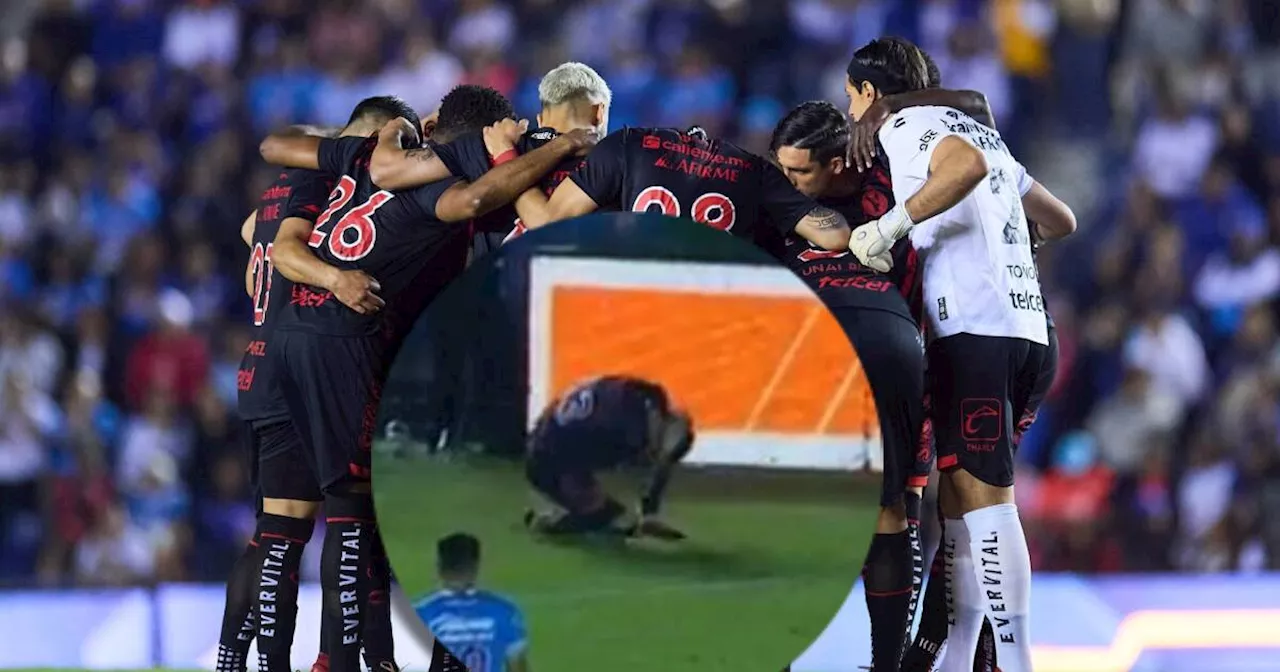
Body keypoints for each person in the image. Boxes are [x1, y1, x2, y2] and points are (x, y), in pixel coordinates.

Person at [254, 84, 594, 672]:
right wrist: (551, 147)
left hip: (290, 336)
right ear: (484, 135)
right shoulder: (453, 170)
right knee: (356, 512)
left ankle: (367, 658)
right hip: (349, 339)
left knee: (339, 515)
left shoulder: (367, 154)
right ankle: (339, 660)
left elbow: (274, 146)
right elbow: (475, 200)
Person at [842, 38, 1074, 672]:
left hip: (975, 330)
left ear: (866, 92)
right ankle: (959, 659)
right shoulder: (981, 128)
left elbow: (963, 166)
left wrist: (890, 226)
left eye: (850, 94)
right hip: (1029, 328)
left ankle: (1020, 660)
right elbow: (1059, 220)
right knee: (957, 504)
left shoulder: (904, 125)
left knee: (985, 501)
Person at [215, 97, 399, 672]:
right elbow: (293, 252)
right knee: (346, 522)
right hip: (304, 368)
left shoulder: (285, 187)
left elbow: (255, 233)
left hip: (262, 361)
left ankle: (234, 659)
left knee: (273, 533)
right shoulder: (333, 183)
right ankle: (340, 659)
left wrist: (265, 257)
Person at [368, 61, 612, 253]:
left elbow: (386, 170)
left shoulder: (496, 144)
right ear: (599, 112)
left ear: (540, 120)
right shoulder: (626, 157)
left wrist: (402, 127)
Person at [511, 120, 855, 254]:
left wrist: (505, 163)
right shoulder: (755, 171)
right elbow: (836, 235)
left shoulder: (628, 144)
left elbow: (546, 222)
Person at [524, 375, 694, 540]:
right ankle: (551, 521)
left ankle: (569, 515)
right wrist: (644, 517)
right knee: (607, 516)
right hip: (547, 463)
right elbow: (620, 485)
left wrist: (648, 512)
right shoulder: (626, 436)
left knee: (614, 514)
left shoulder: (643, 398)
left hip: (545, 442)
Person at [414, 533, 530, 672]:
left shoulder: (420, 614)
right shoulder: (505, 611)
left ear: (439, 567)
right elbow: (517, 667)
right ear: (476, 566)